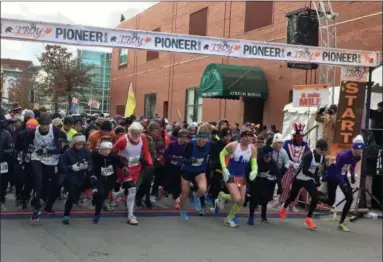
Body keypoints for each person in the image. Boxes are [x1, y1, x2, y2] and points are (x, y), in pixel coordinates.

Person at [280, 139, 328, 231]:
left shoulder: (322, 157)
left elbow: (317, 168)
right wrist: (315, 176)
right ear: (317, 148)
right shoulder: (308, 155)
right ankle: (284, 207)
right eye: (322, 149)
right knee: (292, 197)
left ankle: (308, 218)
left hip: (309, 180)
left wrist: (317, 178)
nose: (323, 152)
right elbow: (305, 170)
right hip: (299, 178)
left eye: (325, 150)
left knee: (315, 197)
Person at [215, 128, 258, 228]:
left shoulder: (253, 149)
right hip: (230, 174)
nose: (248, 138)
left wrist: (254, 170)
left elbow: (254, 162)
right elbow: (222, 154)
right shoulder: (233, 145)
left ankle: (228, 217)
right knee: (237, 198)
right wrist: (224, 168)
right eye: (246, 136)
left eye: (250, 136)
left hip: (242, 176)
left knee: (241, 201)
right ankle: (222, 198)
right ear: (241, 137)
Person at [27, 113, 67, 221]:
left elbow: (59, 150)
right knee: (38, 180)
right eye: (42, 124)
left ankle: (39, 197)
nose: (44, 127)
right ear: (39, 124)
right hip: (38, 157)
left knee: (48, 184)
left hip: (51, 159)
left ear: (49, 124)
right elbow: (27, 142)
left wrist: (46, 150)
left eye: (46, 124)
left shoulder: (56, 131)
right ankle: (36, 208)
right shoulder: (33, 132)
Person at [113, 121, 153, 225]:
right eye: (134, 132)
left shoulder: (143, 137)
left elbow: (146, 151)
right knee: (132, 190)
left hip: (136, 167)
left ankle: (115, 195)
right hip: (124, 169)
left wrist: (149, 163)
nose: (136, 135)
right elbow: (112, 152)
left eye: (138, 133)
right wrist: (121, 161)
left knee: (131, 189)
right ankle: (131, 216)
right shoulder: (123, 140)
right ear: (129, 131)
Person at [325, 135, 363, 232]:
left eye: (360, 151)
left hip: (343, 175)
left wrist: (353, 175)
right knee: (330, 200)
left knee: (350, 198)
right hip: (333, 174)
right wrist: (343, 183)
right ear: (353, 149)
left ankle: (341, 223)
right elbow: (337, 172)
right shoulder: (343, 156)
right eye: (356, 151)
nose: (358, 153)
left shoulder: (358, 157)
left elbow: (352, 165)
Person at [179, 124, 211, 221]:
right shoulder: (191, 144)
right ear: (197, 137)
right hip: (187, 171)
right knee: (184, 193)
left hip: (199, 171)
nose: (203, 141)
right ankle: (182, 210)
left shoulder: (209, 144)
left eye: (205, 139)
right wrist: (189, 161)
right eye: (201, 139)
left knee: (203, 189)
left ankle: (196, 197)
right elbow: (183, 158)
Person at [59, 133, 92, 225]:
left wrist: (87, 166)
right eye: (78, 144)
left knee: (75, 196)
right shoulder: (68, 153)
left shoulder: (86, 151)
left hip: (82, 177)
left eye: (82, 144)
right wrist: (71, 167)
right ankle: (66, 216)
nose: (80, 146)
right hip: (70, 178)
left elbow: (91, 164)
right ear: (74, 143)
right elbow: (61, 167)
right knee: (71, 197)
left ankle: (76, 198)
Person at [89, 136, 123, 222]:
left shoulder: (114, 156)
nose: (107, 151)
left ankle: (95, 196)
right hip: (99, 177)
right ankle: (97, 213)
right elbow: (91, 165)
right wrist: (92, 175)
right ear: (101, 149)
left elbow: (121, 163)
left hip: (110, 178)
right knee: (101, 194)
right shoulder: (95, 154)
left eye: (109, 149)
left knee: (104, 195)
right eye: (105, 149)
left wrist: (125, 166)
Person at [278, 122, 310, 211]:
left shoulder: (305, 145)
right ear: (294, 136)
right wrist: (292, 163)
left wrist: (301, 164)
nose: (300, 138)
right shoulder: (287, 143)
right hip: (289, 167)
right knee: (286, 185)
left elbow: (307, 155)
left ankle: (293, 204)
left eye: (301, 136)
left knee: (297, 187)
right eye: (298, 136)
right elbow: (284, 155)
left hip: (299, 168)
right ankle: (283, 202)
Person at [248, 145, 281, 225]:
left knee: (265, 199)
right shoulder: (257, 161)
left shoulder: (272, 162)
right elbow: (249, 171)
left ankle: (263, 216)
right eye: (267, 157)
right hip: (256, 182)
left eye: (270, 157)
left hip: (268, 183)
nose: (268, 159)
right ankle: (251, 216)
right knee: (254, 199)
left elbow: (277, 174)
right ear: (263, 155)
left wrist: (280, 185)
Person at [164, 128, 189, 209]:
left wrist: (184, 159)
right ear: (179, 137)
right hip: (173, 167)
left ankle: (179, 198)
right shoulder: (173, 144)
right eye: (183, 137)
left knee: (182, 184)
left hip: (183, 168)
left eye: (186, 137)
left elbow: (189, 156)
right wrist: (175, 158)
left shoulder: (187, 145)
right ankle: (176, 200)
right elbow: (167, 155)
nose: (184, 139)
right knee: (174, 183)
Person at [0, 114, 15, 211]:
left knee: (3, 181)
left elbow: (12, 148)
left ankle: (1, 199)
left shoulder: (6, 133)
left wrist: (4, 152)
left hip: (3, 161)